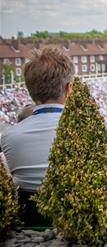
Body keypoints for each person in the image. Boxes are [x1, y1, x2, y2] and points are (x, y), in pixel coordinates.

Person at [0, 47, 72, 218]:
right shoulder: (95, 134)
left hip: (28, 222)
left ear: (30, 90)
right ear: (69, 88)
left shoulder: (10, 138)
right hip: (79, 220)